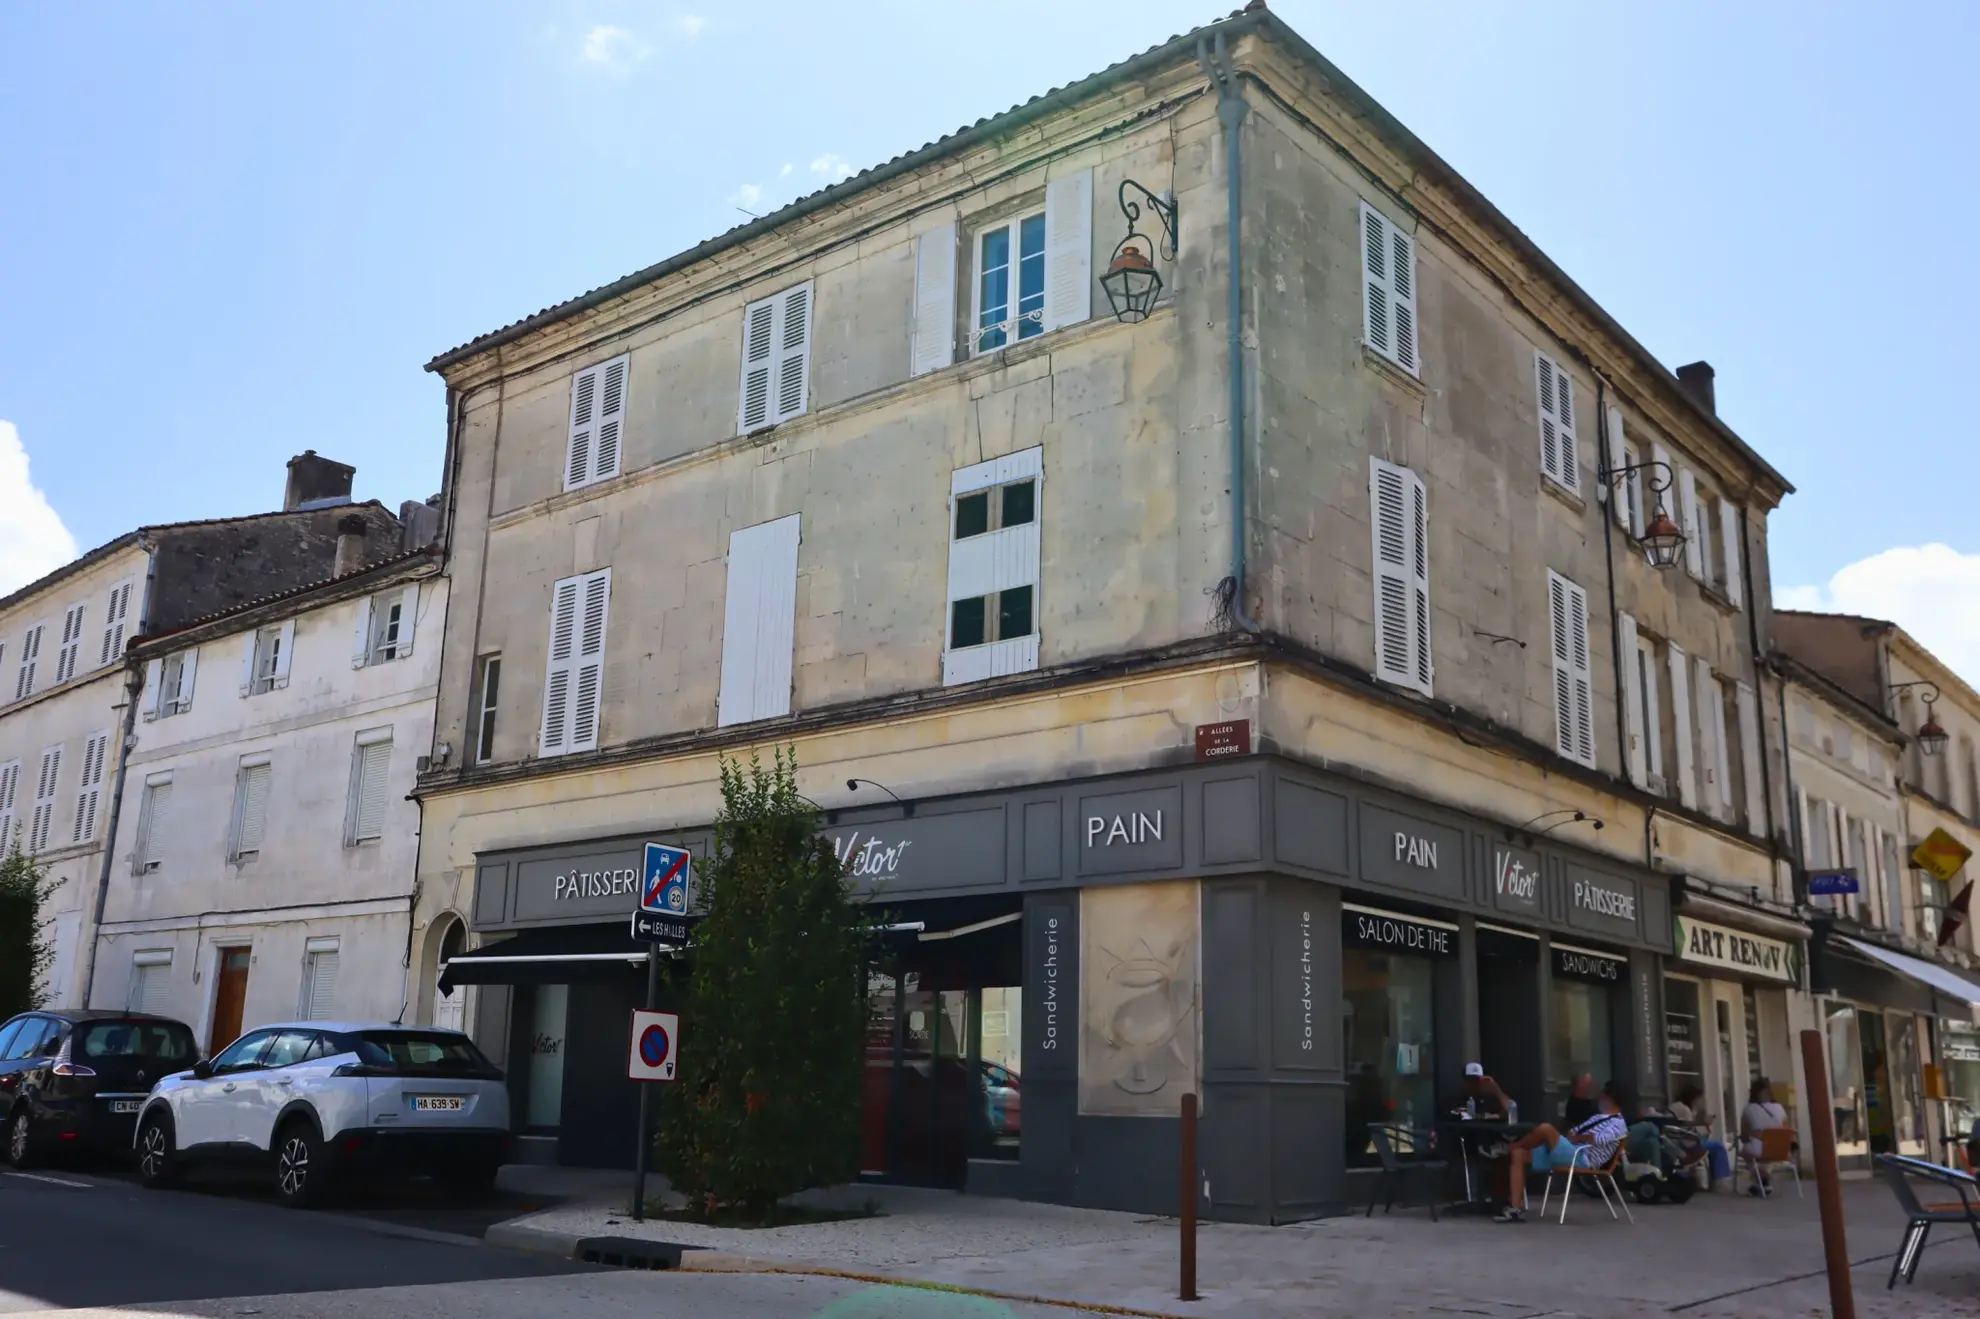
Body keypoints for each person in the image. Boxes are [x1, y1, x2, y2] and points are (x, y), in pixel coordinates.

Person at [1496, 1084, 1630, 1222]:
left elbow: (1600, 1139)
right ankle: (1515, 1209)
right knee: (1519, 1154)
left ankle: (1510, 1146)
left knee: (1545, 1129)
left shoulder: (1618, 1124)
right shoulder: (1598, 1118)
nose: (1598, 1098)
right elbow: (1574, 1130)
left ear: (1608, 1098)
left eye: (1601, 1095)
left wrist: (1578, 1137)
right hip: (1570, 1151)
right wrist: (1574, 1136)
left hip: (1583, 1158)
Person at [1668, 1083, 1732, 1183]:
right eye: (1700, 1099)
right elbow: (1691, 1134)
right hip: (1685, 1145)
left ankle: (1716, 1178)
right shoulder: (1685, 1110)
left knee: (1713, 1145)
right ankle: (1721, 1179)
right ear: (1694, 1099)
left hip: (1676, 1141)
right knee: (1718, 1146)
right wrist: (1704, 1124)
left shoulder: (1675, 1106)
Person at [1740, 1077, 1792, 1196]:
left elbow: (1744, 1135)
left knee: (1745, 1152)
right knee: (1767, 1155)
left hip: (1759, 1149)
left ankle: (1760, 1177)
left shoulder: (1749, 1109)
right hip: (1780, 1149)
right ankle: (1763, 1179)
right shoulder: (1779, 1108)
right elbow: (1785, 1129)